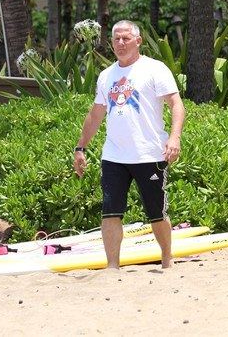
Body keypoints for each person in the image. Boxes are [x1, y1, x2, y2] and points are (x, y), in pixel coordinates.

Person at [73, 20, 184, 269]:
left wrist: (174, 137)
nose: (120, 44)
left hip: (149, 154)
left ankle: (167, 260)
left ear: (138, 41)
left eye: (126, 38)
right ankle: (113, 265)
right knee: (110, 210)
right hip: (114, 156)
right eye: (116, 39)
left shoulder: (155, 69)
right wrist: (80, 147)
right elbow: (96, 114)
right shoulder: (106, 76)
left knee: (157, 212)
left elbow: (177, 105)